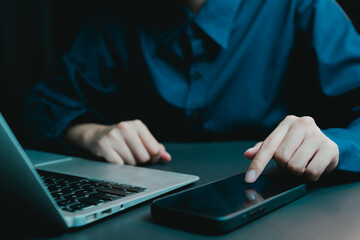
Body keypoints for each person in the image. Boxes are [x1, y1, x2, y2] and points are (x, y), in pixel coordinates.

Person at [22, 0, 360, 183]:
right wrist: (88, 133)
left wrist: (333, 144)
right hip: (149, 212)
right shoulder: (117, 15)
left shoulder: (302, 6)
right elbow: (36, 110)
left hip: (282, 206)